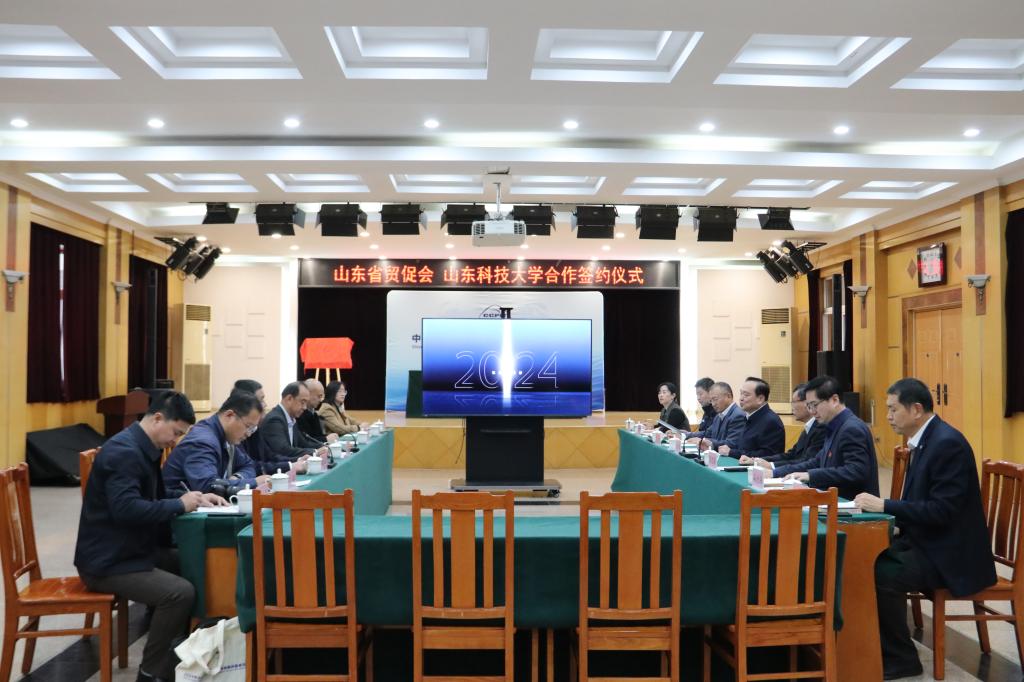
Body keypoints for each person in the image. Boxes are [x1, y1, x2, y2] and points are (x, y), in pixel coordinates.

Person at [74, 392, 226, 682]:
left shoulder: (143, 446)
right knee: (179, 592)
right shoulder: (124, 452)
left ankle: (186, 653)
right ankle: (151, 673)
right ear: (158, 418)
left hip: (131, 548)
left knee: (195, 561)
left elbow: (151, 497)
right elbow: (127, 510)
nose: (175, 441)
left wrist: (192, 498)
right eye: (176, 432)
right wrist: (178, 505)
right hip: (108, 561)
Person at [854, 378, 996, 680]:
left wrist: (885, 506)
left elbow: (942, 511)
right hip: (927, 539)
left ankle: (902, 659)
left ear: (916, 409)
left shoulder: (947, 444)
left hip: (950, 551)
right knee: (861, 557)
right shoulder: (925, 440)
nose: (888, 416)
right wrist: (895, 524)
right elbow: (921, 503)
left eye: (893, 409)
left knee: (883, 573)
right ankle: (871, 645)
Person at [772, 375, 879, 500]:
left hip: (852, 503)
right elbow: (817, 461)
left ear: (834, 400)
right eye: (809, 406)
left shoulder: (851, 429)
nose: (812, 411)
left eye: (815, 405)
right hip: (833, 499)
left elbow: (856, 471)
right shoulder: (834, 425)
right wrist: (778, 472)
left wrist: (811, 475)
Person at [162, 391, 274, 496]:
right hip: (177, 505)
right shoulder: (203, 441)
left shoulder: (226, 436)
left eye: (253, 429)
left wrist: (238, 478)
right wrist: (254, 482)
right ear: (229, 415)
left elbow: (248, 465)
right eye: (248, 427)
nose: (248, 434)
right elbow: (209, 486)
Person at [741, 383, 827, 465]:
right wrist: (757, 461)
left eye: (794, 402)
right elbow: (791, 455)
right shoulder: (808, 427)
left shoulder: (820, 428)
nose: (792, 406)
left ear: (807, 403)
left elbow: (806, 462)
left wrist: (771, 466)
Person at [259, 381, 333, 462]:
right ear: (289, 399)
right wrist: (315, 452)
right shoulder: (274, 419)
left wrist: (324, 446)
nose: (305, 407)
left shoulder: (291, 418)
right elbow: (284, 450)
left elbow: (303, 443)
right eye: (302, 402)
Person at [719, 377, 784, 458]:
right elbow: (744, 446)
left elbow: (767, 455)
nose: (741, 398)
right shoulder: (749, 416)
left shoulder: (771, 421)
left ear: (760, 399)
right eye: (741, 393)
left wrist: (732, 452)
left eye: (746, 395)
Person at [686, 381, 745, 451]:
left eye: (715, 399)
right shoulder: (718, 416)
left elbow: (732, 443)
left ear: (728, 396)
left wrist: (707, 442)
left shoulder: (738, 416)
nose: (713, 404)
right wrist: (685, 434)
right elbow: (707, 433)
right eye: (711, 401)